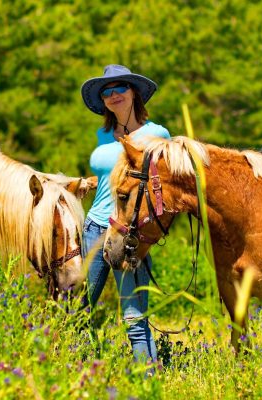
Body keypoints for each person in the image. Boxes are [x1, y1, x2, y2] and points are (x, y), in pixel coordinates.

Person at [80, 64, 170, 363]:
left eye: (120, 88)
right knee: (81, 309)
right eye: (107, 91)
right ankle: (82, 378)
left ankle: (148, 384)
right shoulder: (102, 133)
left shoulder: (157, 134)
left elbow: (166, 184)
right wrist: (86, 183)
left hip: (130, 231)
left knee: (134, 318)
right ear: (103, 100)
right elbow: (111, 178)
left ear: (134, 92)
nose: (113, 95)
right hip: (94, 226)